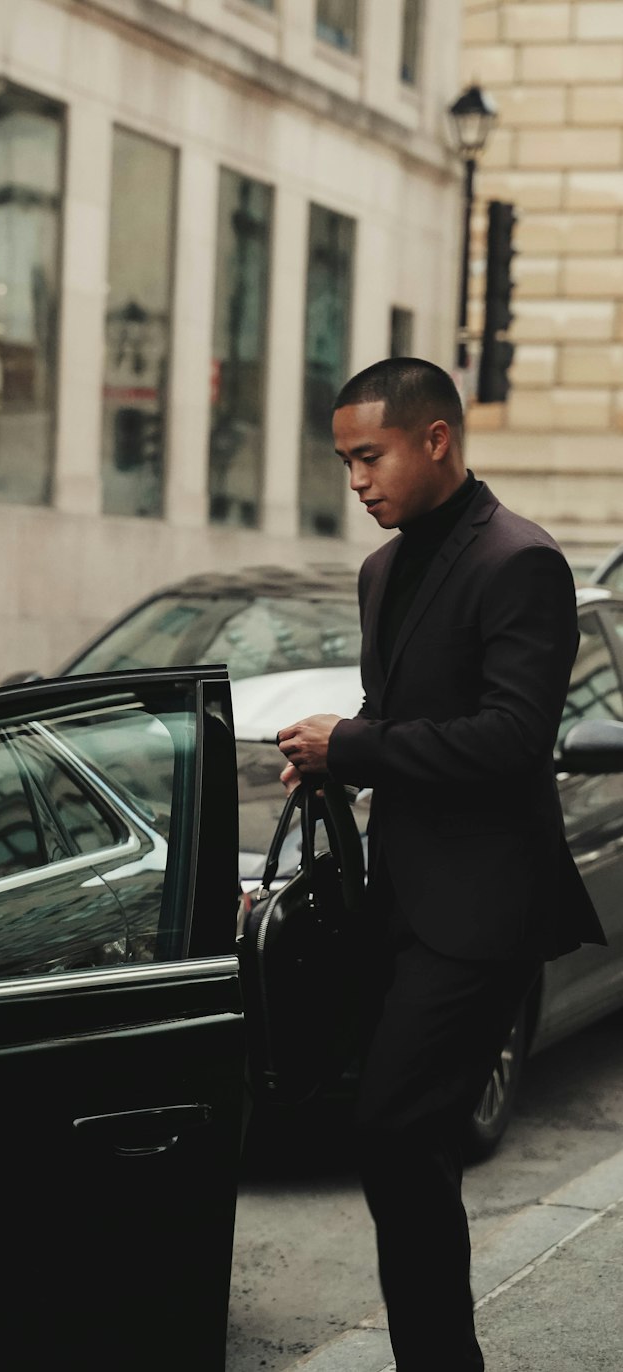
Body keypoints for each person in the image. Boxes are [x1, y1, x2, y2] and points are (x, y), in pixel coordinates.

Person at [276, 356, 606, 1372]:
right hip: (402, 900)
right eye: (343, 462)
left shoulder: (520, 560)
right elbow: (405, 715)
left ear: (436, 440)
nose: (357, 481)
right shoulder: (381, 571)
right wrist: (327, 758)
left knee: (393, 1128)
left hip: (487, 908)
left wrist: (359, 746)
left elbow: (512, 737)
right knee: (398, 1143)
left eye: (369, 455)